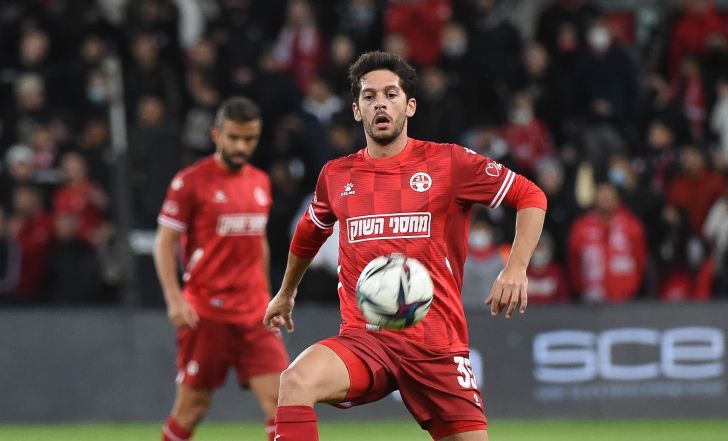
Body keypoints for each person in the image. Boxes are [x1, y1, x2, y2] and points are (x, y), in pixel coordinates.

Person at [264, 51, 547, 441]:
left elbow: (530, 196)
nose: (380, 103)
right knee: (294, 380)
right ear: (357, 110)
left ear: (409, 106)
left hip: (435, 346)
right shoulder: (336, 175)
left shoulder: (449, 163)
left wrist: (515, 268)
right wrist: (285, 292)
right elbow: (310, 232)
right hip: (365, 340)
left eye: (391, 94)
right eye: (369, 96)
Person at [154, 97, 289, 441]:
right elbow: (164, 244)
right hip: (207, 313)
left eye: (250, 139)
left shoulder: (260, 181)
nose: (241, 146)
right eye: (234, 138)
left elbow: (259, 242)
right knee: (192, 409)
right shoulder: (189, 183)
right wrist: (174, 298)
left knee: (283, 405)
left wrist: (269, 297)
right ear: (216, 135)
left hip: (254, 313)